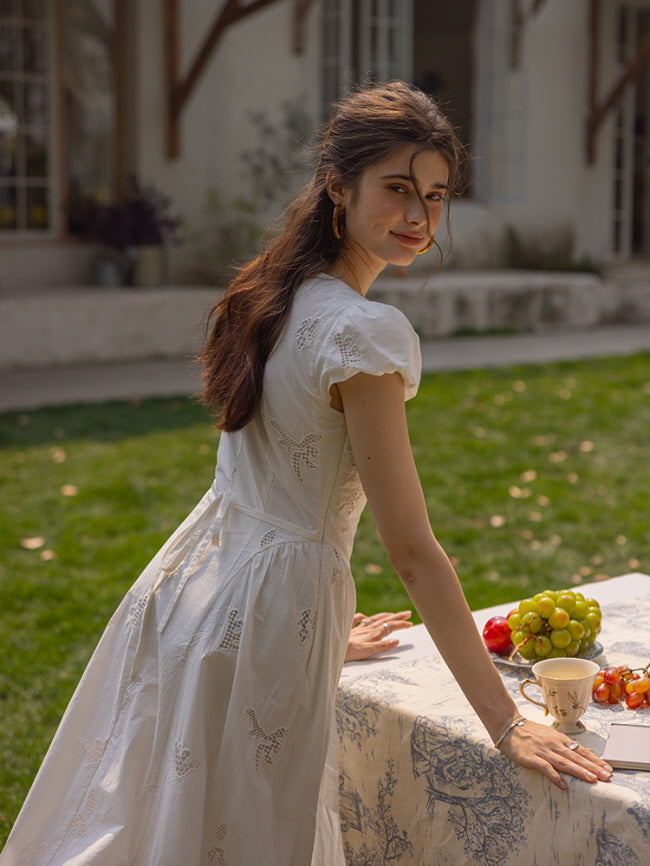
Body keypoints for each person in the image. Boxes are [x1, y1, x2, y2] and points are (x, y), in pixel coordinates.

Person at [1, 81, 611, 866]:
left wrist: (313, 626)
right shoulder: (364, 332)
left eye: (434, 196)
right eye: (397, 190)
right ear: (338, 185)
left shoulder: (268, 290)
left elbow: (265, 489)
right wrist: (505, 721)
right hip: (258, 612)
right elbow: (413, 552)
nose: (419, 219)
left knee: (172, 826)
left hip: (198, 594)